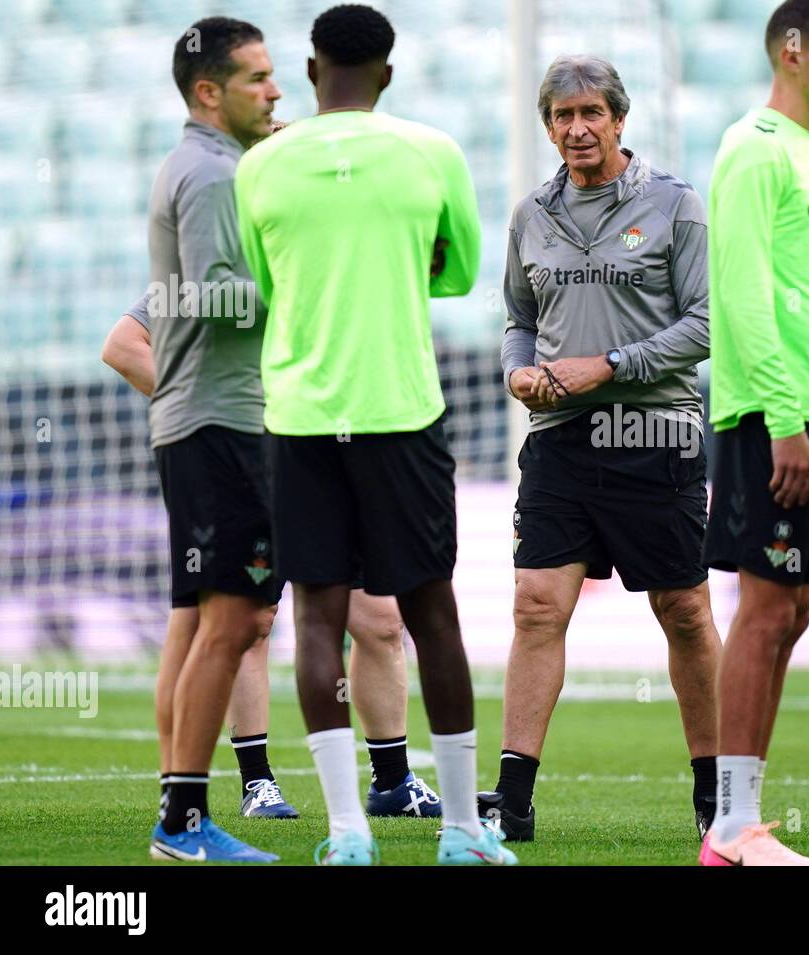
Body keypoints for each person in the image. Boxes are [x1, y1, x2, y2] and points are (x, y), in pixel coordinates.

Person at [235, 3, 513, 865]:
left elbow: (263, 282)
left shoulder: (262, 164)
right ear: (386, 74)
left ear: (312, 71)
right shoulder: (432, 152)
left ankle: (348, 832)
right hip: (401, 411)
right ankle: (464, 830)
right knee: (433, 613)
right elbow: (461, 270)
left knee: (317, 618)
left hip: (301, 414)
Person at [105, 187, 439, 830]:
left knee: (379, 621)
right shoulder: (217, 271)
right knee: (250, 622)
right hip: (253, 468)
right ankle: (257, 782)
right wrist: (208, 413)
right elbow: (123, 344)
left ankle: (393, 782)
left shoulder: (331, 262)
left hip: (337, 459)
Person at [492, 54, 720, 842]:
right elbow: (518, 316)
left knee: (684, 609)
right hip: (559, 441)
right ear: (547, 127)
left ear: (620, 120)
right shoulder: (530, 215)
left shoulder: (676, 206)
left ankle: (715, 795)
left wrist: (614, 364)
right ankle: (511, 798)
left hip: (654, 435)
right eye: (562, 116)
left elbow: (707, 323)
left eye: (592, 113)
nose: (577, 128)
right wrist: (518, 369)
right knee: (535, 607)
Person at [698, 0, 809, 867]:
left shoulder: (806, 154)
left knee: (791, 611)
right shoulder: (755, 148)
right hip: (773, 416)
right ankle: (728, 827)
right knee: (764, 612)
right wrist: (788, 421)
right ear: (792, 53)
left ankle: (743, 820)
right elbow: (745, 295)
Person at [135, 16, 283, 862]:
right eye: (257, 78)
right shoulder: (213, 173)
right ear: (208, 92)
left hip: (208, 420)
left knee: (203, 622)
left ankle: (180, 812)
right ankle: (182, 823)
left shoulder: (214, 166)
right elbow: (218, 297)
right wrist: (307, 274)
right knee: (234, 618)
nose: (274, 91)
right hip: (221, 420)